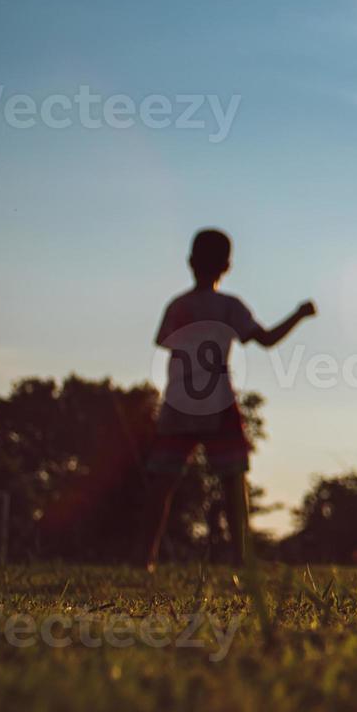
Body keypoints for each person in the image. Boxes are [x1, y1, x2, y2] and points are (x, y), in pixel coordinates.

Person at [135, 229, 315, 571]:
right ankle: (241, 558)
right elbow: (265, 340)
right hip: (217, 401)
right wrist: (299, 314)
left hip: (178, 400)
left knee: (162, 482)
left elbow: (166, 344)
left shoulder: (178, 305)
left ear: (189, 262)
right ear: (228, 266)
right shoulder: (229, 307)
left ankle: (145, 558)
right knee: (233, 481)